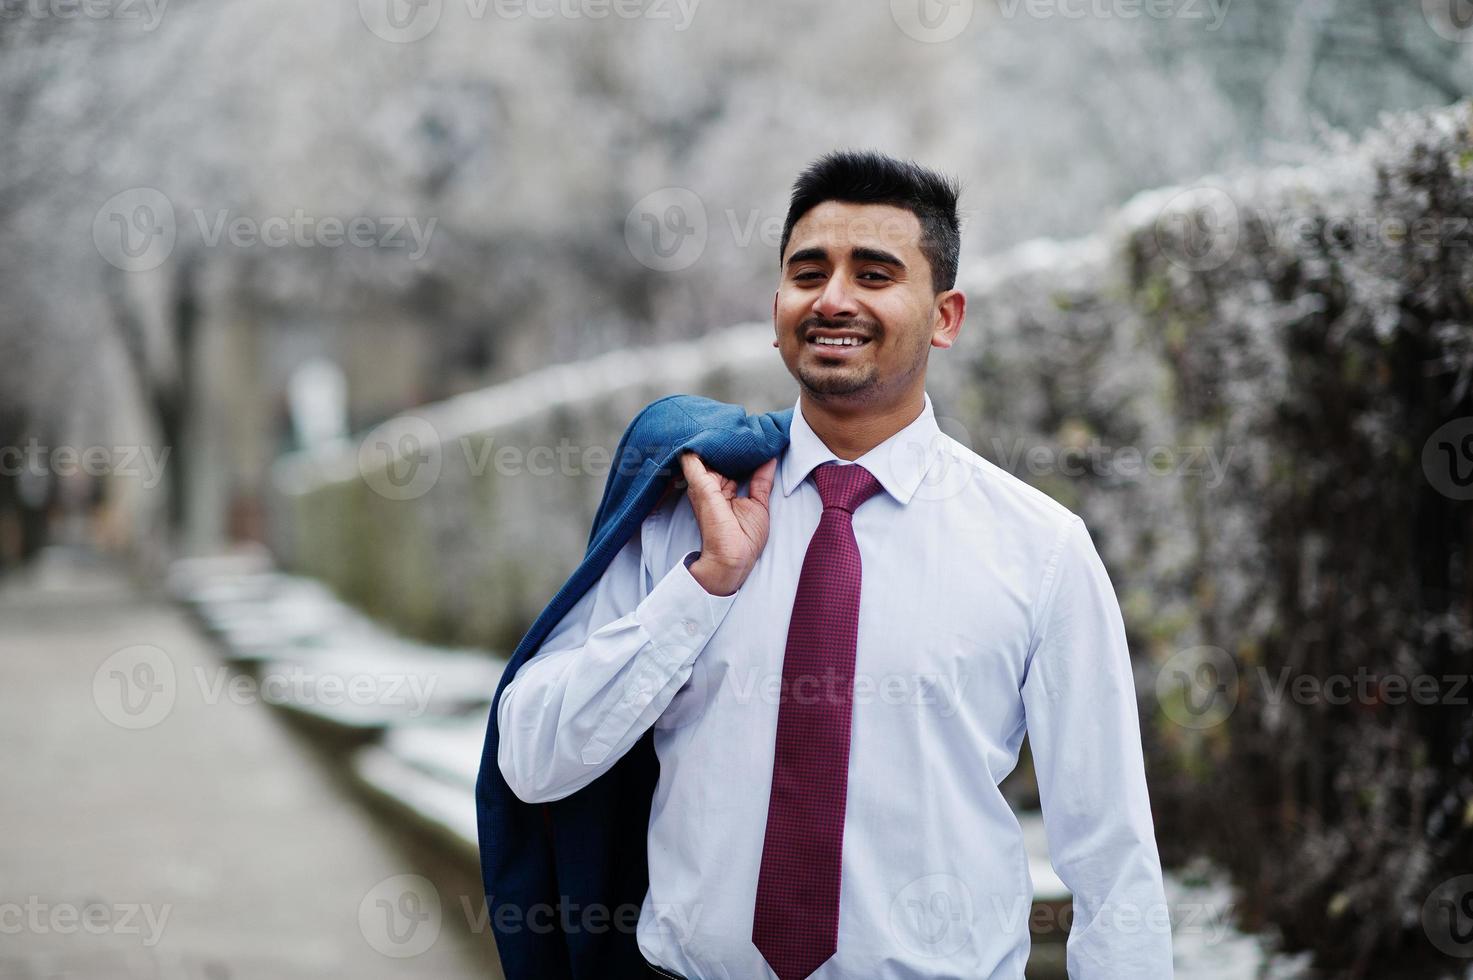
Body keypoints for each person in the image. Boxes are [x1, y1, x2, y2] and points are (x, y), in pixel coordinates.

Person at [496, 150, 1174, 979]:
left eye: (876, 273)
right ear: (777, 303)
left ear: (945, 315)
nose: (834, 299)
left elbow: (1110, 853)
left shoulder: (1039, 549)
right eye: (807, 272)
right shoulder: (685, 512)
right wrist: (702, 589)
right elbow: (533, 761)